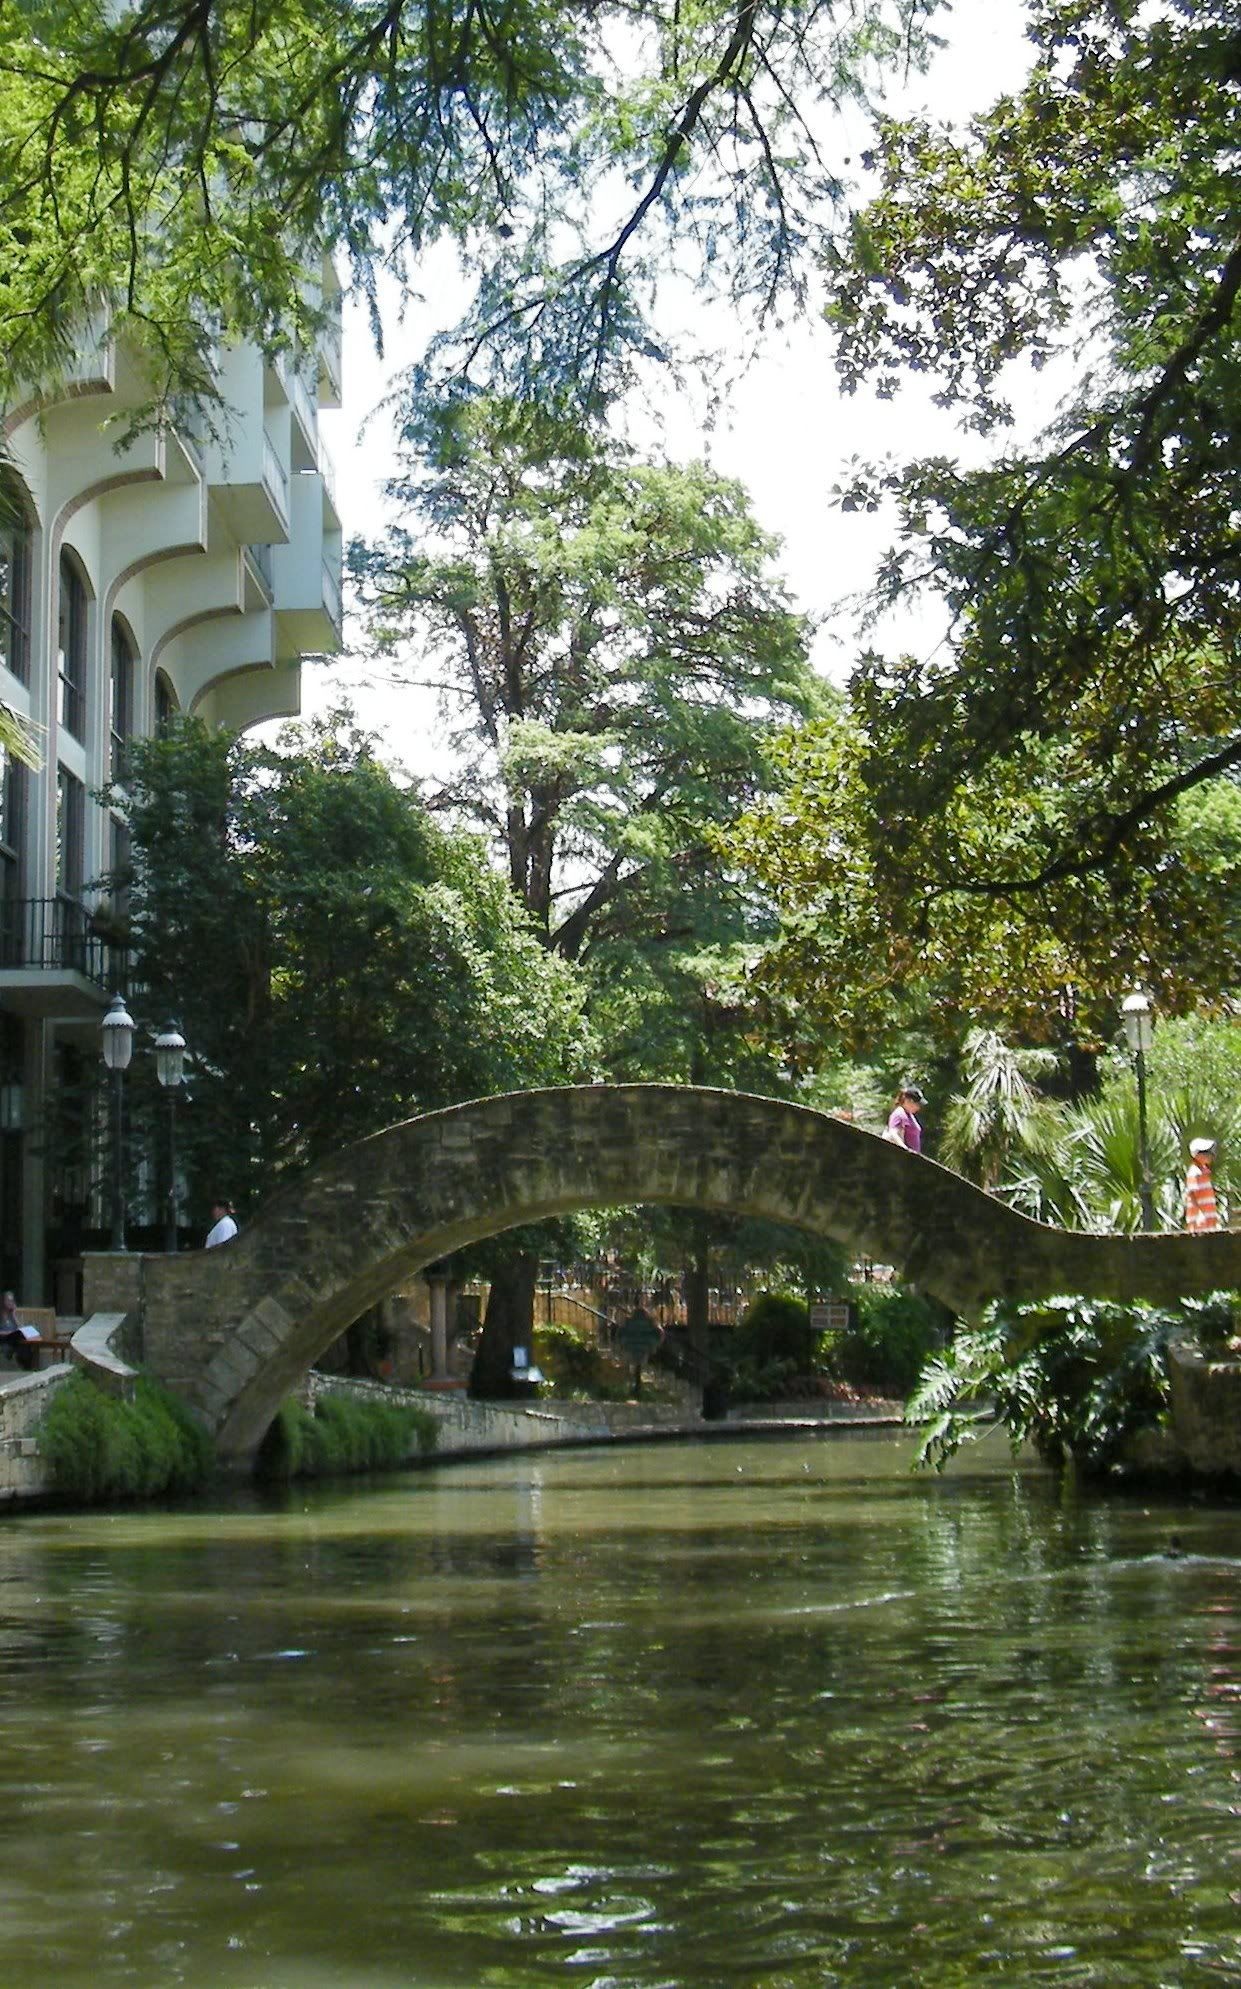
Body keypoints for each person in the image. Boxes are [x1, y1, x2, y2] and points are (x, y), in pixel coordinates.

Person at [1185, 1139, 1219, 1234]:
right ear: (1197, 1155)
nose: (1210, 1155)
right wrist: (1197, 1217)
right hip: (1200, 1222)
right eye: (1206, 1152)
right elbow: (1192, 1196)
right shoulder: (1194, 1172)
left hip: (1209, 1219)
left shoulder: (1204, 1172)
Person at [0, 1290, 39, 1370]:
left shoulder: (12, 1315)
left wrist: (14, 1315)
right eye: (8, 1300)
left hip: (14, 1340)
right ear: (3, 1301)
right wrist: (8, 1333)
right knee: (17, 1343)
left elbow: (20, 1328)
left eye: (12, 1300)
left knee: (25, 1346)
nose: (10, 1302)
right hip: (3, 1340)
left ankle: (28, 1368)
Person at [885, 1085, 926, 1154]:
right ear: (908, 1101)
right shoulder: (899, 1113)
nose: (918, 1107)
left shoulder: (910, 1115)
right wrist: (905, 1150)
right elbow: (893, 1133)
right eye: (917, 1104)